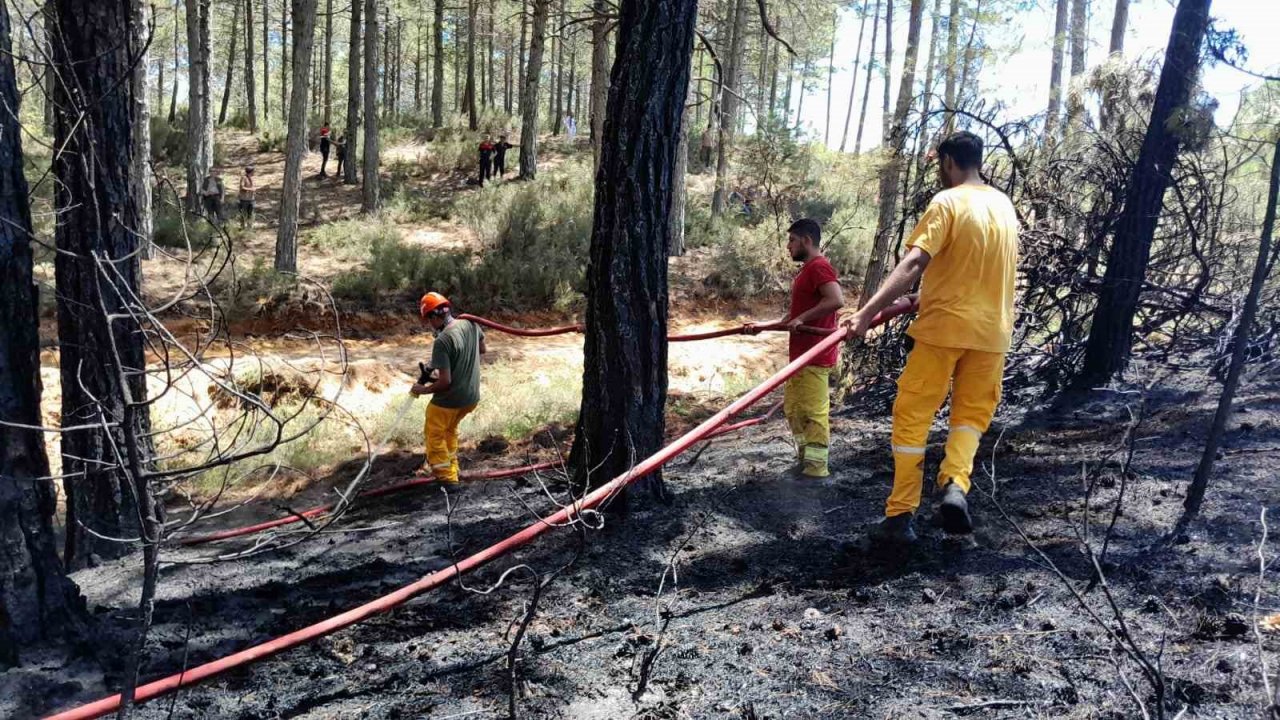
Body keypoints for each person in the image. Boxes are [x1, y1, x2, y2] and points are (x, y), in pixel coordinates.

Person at [845, 131, 1019, 544]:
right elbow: (976, 268)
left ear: (947, 162)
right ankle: (956, 484)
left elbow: (915, 261)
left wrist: (867, 313)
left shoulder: (948, 202)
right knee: (970, 418)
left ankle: (900, 514)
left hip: (944, 329)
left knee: (913, 415)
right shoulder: (1004, 206)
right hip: (993, 334)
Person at [752, 219, 845, 478]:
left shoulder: (819, 267)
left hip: (815, 356)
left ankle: (816, 470)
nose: (788, 246)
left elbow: (836, 300)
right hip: (800, 358)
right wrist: (762, 325)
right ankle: (806, 461)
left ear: (806, 240)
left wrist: (803, 319)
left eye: (792, 240)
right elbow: (792, 317)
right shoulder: (806, 271)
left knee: (814, 414)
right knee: (794, 410)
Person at [410, 292, 487, 483]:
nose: (430, 325)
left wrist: (423, 390)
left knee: (435, 435)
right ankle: (453, 469)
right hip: (470, 398)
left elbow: (445, 383)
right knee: (449, 431)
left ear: (434, 316)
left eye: (429, 320)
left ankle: (447, 480)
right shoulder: (470, 324)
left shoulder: (442, 341)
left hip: (450, 400)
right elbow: (482, 349)